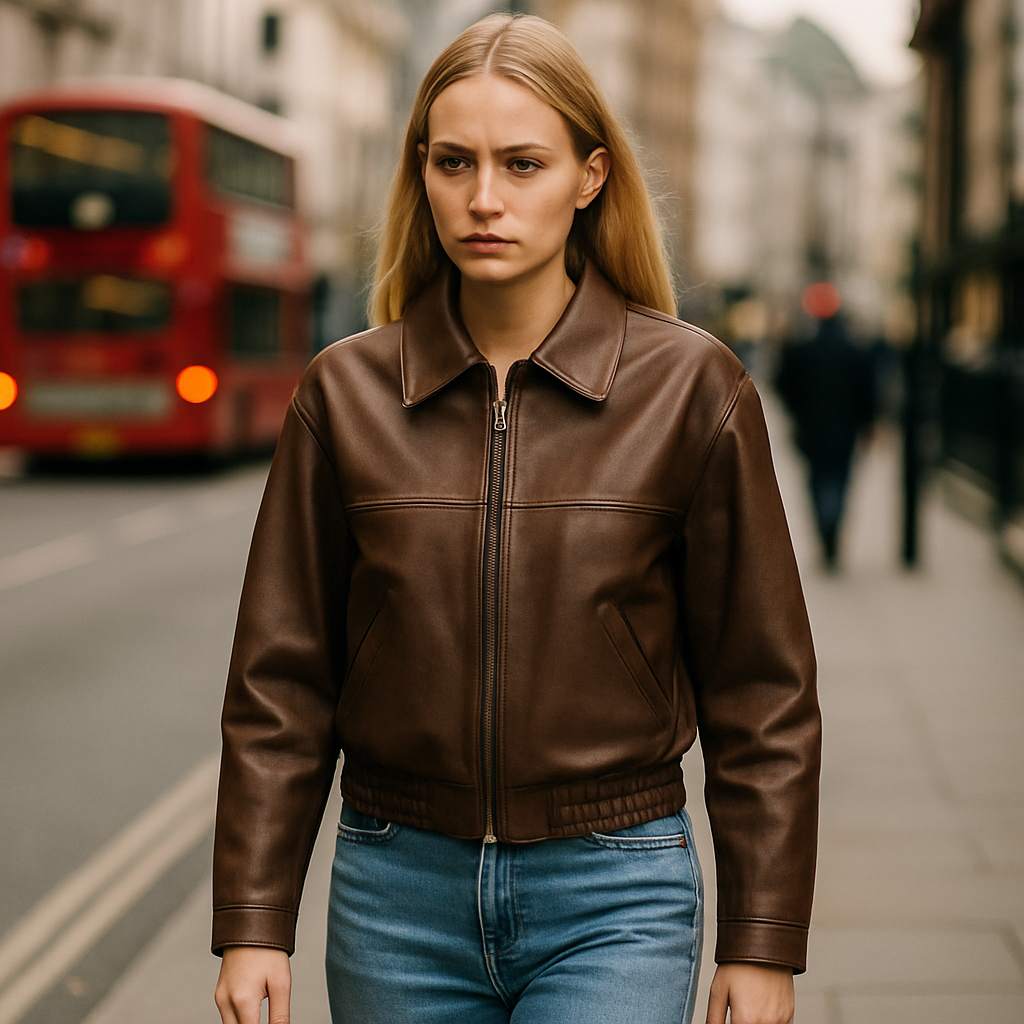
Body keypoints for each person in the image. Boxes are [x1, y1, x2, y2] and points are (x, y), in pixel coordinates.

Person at [212, 14, 820, 1024]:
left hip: (615, 890)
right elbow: (280, 684)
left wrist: (762, 940)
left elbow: (764, 691)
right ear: (422, 173)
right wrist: (252, 918)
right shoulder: (345, 394)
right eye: (454, 163)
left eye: (522, 163)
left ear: (589, 177)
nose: (483, 198)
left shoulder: (689, 388)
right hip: (393, 893)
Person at [776, 285, 876, 569]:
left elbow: (784, 386)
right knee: (840, 479)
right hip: (845, 429)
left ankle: (825, 525)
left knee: (817, 479)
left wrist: (795, 413)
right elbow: (867, 390)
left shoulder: (799, 349)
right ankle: (832, 524)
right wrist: (868, 423)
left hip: (810, 429)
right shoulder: (854, 350)